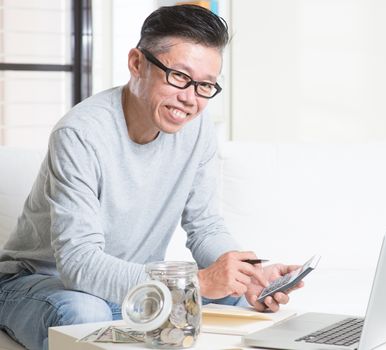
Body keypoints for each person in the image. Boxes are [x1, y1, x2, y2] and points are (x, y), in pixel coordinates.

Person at [0, 5, 301, 350]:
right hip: (41, 281)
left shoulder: (197, 128)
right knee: (85, 312)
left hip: (136, 288)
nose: (190, 99)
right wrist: (195, 284)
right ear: (136, 63)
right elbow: (78, 263)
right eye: (179, 77)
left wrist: (247, 273)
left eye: (205, 86)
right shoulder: (80, 133)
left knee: (240, 299)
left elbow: (205, 226)